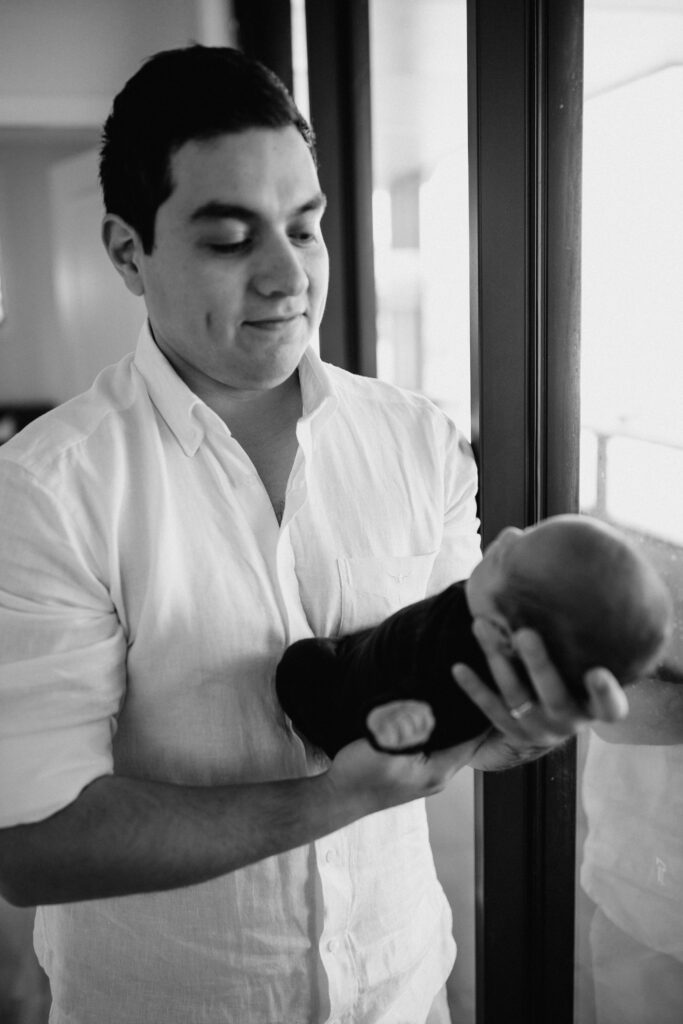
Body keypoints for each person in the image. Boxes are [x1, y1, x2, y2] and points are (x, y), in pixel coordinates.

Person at [0, 45, 628, 1024]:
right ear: (128, 252)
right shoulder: (45, 491)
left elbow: (457, 712)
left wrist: (511, 725)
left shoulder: (417, 442)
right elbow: (33, 842)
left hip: (405, 988)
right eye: (228, 239)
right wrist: (330, 800)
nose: (286, 274)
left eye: (305, 227)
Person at [277, 514, 673, 756]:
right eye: (529, 532)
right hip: (363, 651)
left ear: (502, 634)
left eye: (505, 554)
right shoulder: (485, 605)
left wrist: (408, 730)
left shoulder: (466, 680)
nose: (510, 534)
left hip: (349, 697)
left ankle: (371, 724)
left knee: (301, 665)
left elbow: (449, 728)